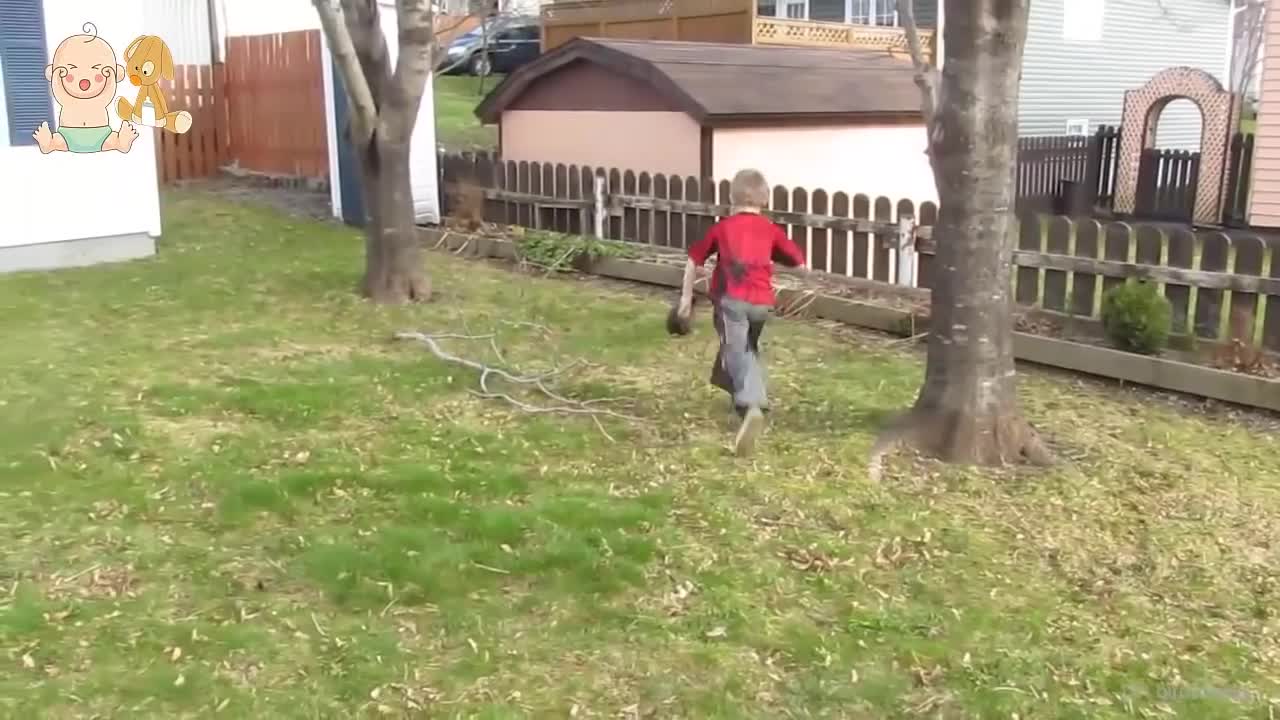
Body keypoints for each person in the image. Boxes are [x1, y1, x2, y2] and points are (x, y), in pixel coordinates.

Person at [676, 169, 807, 456]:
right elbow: (800, 264)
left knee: (738, 351)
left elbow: (693, 259)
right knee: (744, 348)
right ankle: (734, 391)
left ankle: (752, 405)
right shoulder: (771, 229)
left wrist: (686, 299)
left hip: (730, 300)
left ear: (732, 197)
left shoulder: (723, 228)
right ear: (764, 199)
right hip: (761, 304)